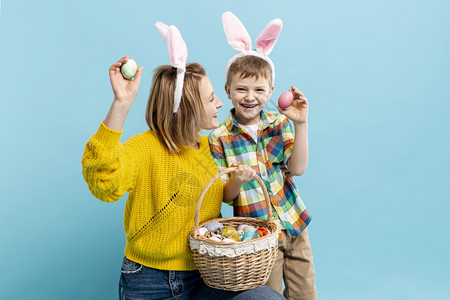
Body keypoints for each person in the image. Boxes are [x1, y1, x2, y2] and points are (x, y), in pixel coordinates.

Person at [81, 22, 285, 300]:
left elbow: (222, 197)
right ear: (188, 109)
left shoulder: (210, 147)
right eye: (211, 98)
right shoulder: (145, 148)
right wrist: (121, 103)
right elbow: (103, 183)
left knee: (267, 298)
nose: (220, 104)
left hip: (208, 275)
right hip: (148, 281)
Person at [208, 12, 317, 300]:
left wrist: (300, 123)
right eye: (241, 89)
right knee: (268, 296)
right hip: (258, 236)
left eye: (259, 89)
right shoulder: (220, 137)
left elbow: (299, 168)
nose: (250, 96)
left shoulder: (279, 124)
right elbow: (226, 196)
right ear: (228, 90)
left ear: (270, 90)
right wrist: (238, 181)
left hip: (293, 223)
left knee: (305, 293)